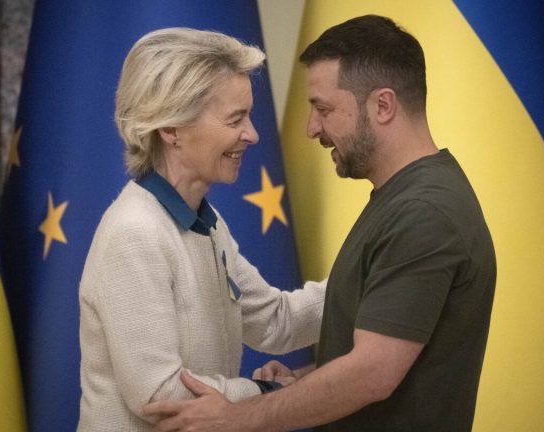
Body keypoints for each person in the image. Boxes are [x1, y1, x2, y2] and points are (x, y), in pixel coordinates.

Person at [143, 14, 497, 432]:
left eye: (323, 109)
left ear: (382, 106)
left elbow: (372, 374)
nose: (312, 129)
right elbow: (381, 352)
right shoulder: (403, 200)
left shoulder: (423, 213)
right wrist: (300, 384)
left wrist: (237, 417)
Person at [76, 27, 325, 431]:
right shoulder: (134, 233)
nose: (253, 134)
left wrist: (371, 277)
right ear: (171, 128)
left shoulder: (206, 225)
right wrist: (265, 393)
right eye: (235, 119)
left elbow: (276, 320)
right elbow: (159, 394)